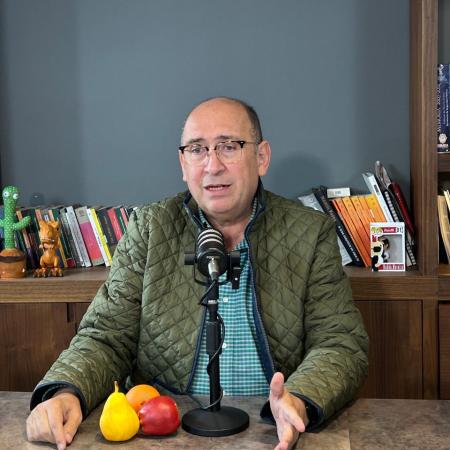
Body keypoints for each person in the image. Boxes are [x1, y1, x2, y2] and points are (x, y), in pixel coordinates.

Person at [26, 97, 368, 450]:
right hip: (165, 430)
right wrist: (67, 392)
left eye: (229, 146)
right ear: (183, 163)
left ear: (261, 157)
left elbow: (339, 343)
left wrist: (301, 398)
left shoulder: (310, 232)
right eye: (197, 149)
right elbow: (106, 336)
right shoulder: (150, 228)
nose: (212, 165)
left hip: (271, 430)